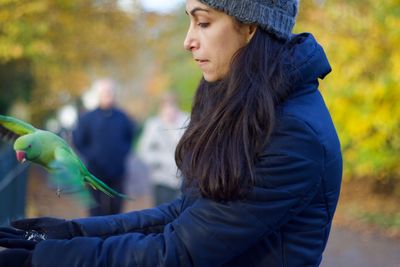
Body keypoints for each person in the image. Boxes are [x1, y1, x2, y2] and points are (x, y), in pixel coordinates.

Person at [0, 0, 343, 266]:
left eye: (203, 22)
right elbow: (186, 215)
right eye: (189, 21)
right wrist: (71, 233)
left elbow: (178, 253)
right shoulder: (243, 104)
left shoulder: (292, 133)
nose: (188, 41)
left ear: (252, 27)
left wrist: (46, 259)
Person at [72, 78, 136, 216]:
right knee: (96, 210)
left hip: (117, 171)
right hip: (95, 171)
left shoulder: (123, 117)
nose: (108, 95)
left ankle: (115, 236)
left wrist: (122, 153)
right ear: (98, 94)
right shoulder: (87, 118)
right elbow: (78, 140)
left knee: (116, 209)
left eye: (110, 92)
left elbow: (130, 137)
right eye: (104, 92)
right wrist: (91, 155)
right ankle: (96, 236)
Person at [137, 92, 189, 206]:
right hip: (161, 179)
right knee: (161, 214)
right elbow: (143, 152)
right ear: (161, 109)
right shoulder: (153, 125)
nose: (170, 111)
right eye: (166, 107)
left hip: (185, 178)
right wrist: (162, 160)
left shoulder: (187, 121)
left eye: (172, 106)